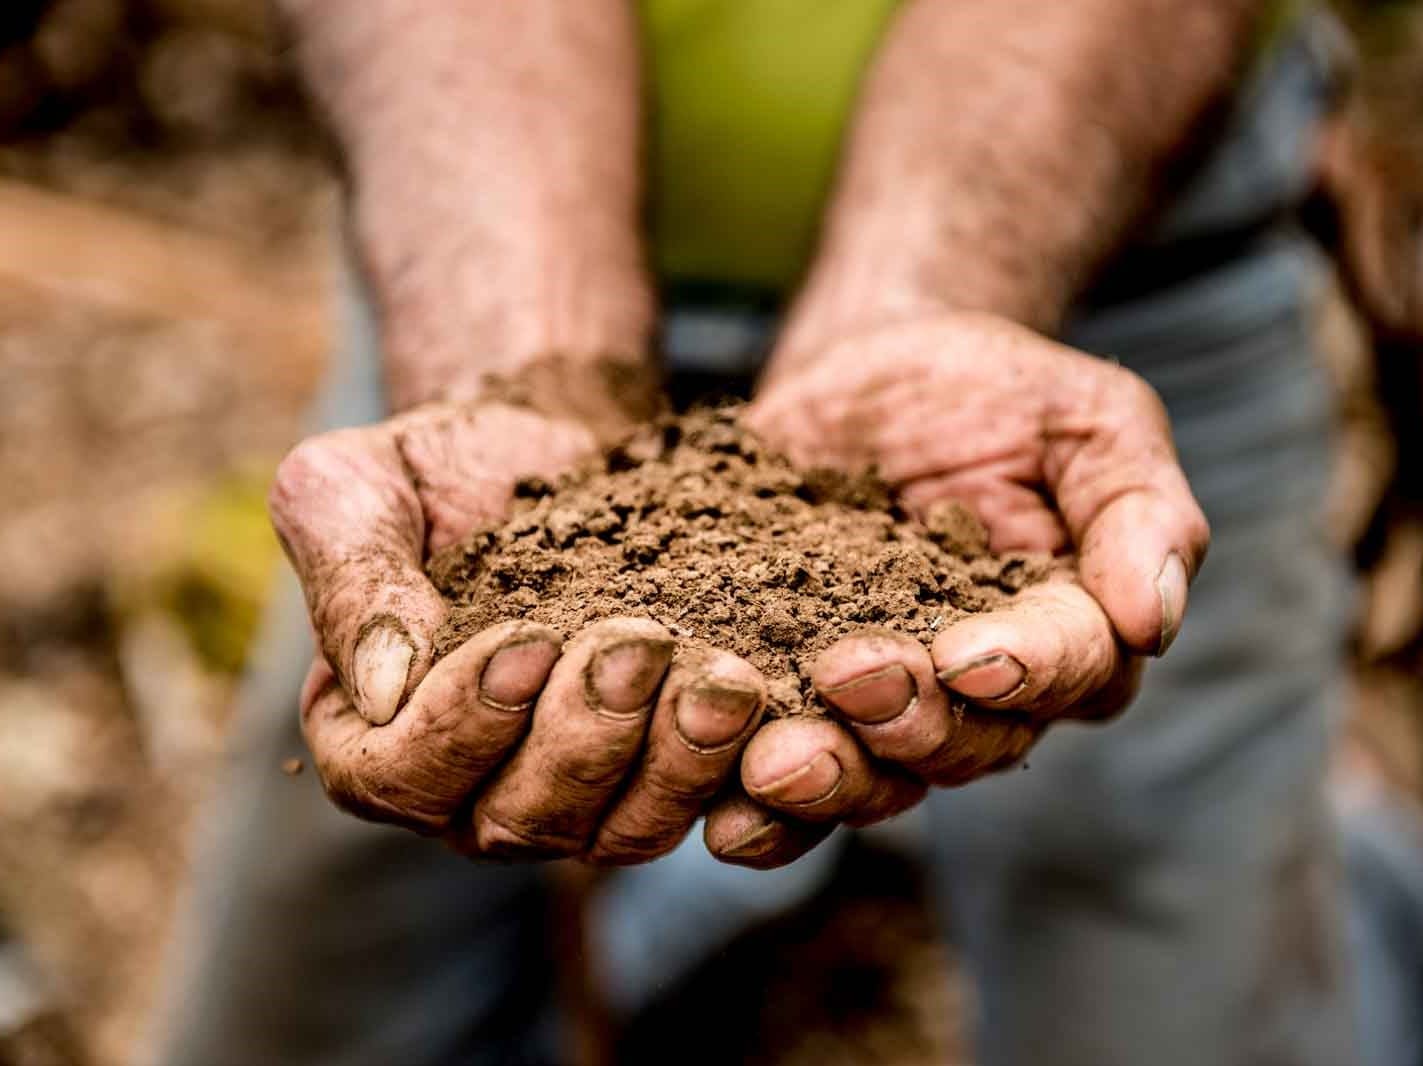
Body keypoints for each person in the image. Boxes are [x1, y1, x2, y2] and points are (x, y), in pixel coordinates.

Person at [153, 2, 1363, 1064]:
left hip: (1124, 276)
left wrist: (915, 302)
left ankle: (1367, 866)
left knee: (1178, 984)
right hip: (468, 266)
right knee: (324, 964)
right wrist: (521, 355)